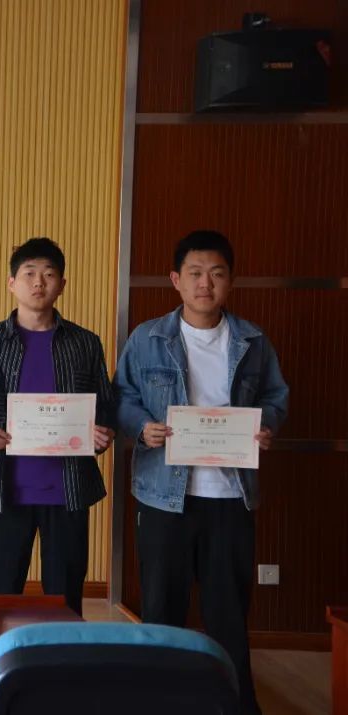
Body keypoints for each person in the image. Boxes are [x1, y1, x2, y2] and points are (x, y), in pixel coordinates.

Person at [115, 230, 288, 714]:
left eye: (216, 273)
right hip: (163, 497)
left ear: (231, 280)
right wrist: (141, 426)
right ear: (176, 279)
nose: (205, 284)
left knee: (228, 614)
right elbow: (121, 395)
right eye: (195, 273)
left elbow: (275, 396)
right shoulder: (147, 338)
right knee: (161, 613)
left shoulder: (253, 341)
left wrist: (267, 426)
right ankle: (159, 705)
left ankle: (234, 705)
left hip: (231, 497)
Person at [0, 237, 114, 616]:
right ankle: (1, 657)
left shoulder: (85, 343)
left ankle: (62, 657)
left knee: (65, 602)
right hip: (4, 489)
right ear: (12, 283)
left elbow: (105, 404)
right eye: (29, 274)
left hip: (68, 489)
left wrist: (101, 432)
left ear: (62, 284)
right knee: (0, 598)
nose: (38, 282)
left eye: (49, 274)